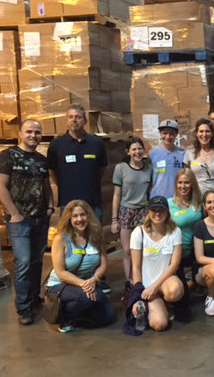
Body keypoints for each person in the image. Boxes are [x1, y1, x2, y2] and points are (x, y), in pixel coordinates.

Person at [0, 119, 54, 325]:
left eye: (37, 132)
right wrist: (14, 214)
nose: (33, 136)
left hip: (40, 218)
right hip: (19, 221)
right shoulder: (7, 156)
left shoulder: (41, 159)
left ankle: (34, 299)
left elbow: (46, 184)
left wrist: (50, 206)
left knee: (37, 261)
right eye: (29, 132)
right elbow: (0, 187)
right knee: (24, 262)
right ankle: (23, 308)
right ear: (20, 133)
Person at [47, 103, 110, 293]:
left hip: (92, 203)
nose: (74, 120)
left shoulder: (96, 143)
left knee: (95, 241)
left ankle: (99, 279)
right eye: (71, 117)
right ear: (67, 119)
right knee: (69, 243)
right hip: (68, 204)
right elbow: (52, 172)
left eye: (78, 117)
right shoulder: (57, 145)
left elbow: (101, 170)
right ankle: (70, 278)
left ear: (84, 120)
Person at [46, 200, 115, 333]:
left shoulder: (96, 236)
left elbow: (103, 264)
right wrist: (84, 284)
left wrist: (94, 280)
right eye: (75, 216)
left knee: (108, 316)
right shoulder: (61, 239)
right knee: (84, 297)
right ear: (69, 219)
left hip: (87, 283)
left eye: (83, 215)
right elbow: (60, 272)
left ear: (88, 216)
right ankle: (66, 318)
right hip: (60, 285)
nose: (80, 219)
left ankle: (80, 313)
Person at [129, 196, 184, 331]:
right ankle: (148, 306)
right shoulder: (139, 233)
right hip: (146, 287)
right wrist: (139, 292)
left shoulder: (175, 232)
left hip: (164, 282)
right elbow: (135, 268)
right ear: (148, 212)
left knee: (175, 291)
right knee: (159, 325)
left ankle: (162, 304)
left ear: (167, 213)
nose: (157, 214)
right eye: (154, 210)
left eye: (161, 210)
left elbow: (174, 265)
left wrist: (155, 286)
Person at [111, 136, 152, 287]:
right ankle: (130, 282)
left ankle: (142, 278)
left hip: (144, 211)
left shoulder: (149, 167)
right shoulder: (121, 168)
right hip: (126, 211)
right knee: (127, 250)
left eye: (140, 148)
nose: (137, 152)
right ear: (128, 152)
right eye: (134, 149)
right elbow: (116, 194)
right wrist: (114, 220)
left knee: (143, 248)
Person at [184, 118, 214, 205]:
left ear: (212, 133)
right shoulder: (189, 153)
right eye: (201, 131)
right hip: (197, 199)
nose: (204, 134)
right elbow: (186, 177)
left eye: (207, 131)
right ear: (196, 133)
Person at [167, 168, 203, 277]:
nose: (183, 186)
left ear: (192, 184)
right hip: (177, 252)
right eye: (180, 182)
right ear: (176, 184)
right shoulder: (169, 204)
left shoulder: (199, 202)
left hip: (197, 251)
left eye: (187, 182)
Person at [149, 119, 185, 199]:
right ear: (160, 134)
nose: (168, 137)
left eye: (171, 134)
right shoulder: (152, 154)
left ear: (176, 134)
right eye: (165, 133)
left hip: (177, 198)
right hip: (158, 198)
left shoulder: (182, 153)